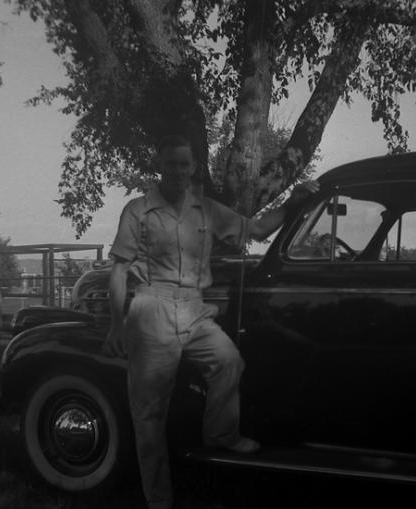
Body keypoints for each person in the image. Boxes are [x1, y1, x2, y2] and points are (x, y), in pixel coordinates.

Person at [103, 134, 318, 509]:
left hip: (194, 308)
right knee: (150, 413)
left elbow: (257, 230)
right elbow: (119, 270)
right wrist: (117, 326)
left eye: (184, 164)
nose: (178, 171)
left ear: (194, 168)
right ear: (160, 164)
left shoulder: (207, 210)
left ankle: (220, 433)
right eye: (171, 163)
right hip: (152, 309)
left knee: (228, 360)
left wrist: (295, 201)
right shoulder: (137, 210)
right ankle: (159, 500)